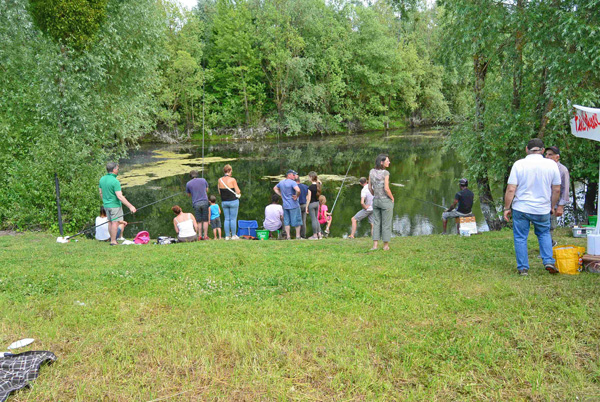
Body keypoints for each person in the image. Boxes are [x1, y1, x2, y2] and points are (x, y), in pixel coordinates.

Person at [503, 138, 561, 276]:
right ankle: (548, 261)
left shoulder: (519, 164)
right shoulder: (551, 165)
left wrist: (506, 208)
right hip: (542, 208)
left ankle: (523, 268)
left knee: (520, 237)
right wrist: (552, 206)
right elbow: (557, 189)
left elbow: (511, 188)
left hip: (521, 208)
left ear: (526, 149)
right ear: (542, 150)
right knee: (544, 233)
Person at [98, 162, 136, 246]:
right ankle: (113, 241)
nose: (118, 170)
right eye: (118, 169)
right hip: (115, 205)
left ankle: (112, 239)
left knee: (110, 222)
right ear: (114, 169)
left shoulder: (102, 179)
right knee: (115, 223)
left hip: (106, 205)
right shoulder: (115, 181)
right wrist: (131, 206)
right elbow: (119, 196)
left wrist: (105, 201)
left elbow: (101, 193)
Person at [545, 146, 570, 245]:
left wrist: (560, 206)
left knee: (550, 226)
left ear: (557, 157)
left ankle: (548, 248)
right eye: (546, 154)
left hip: (554, 203)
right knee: (543, 227)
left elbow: (565, 189)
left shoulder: (563, 170)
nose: (547, 157)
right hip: (543, 201)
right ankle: (550, 244)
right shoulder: (543, 168)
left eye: (550, 155)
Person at [369, 154, 394, 251]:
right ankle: (385, 246)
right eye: (387, 161)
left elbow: (369, 187)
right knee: (386, 223)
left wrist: (374, 194)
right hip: (385, 201)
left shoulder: (371, 172)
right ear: (381, 162)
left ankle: (375, 246)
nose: (389, 162)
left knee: (376, 223)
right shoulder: (385, 173)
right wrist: (392, 198)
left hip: (376, 200)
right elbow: (386, 188)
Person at [274, 169, 302, 240]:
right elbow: (298, 190)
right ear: (289, 175)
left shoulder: (281, 182)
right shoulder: (293, 182)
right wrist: (297, 196)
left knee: (286, 221)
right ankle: (298, 236)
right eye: (293, 175)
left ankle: (288, 237)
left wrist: (281, 195)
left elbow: (275, 188)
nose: (294, 176)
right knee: (297, 221)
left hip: (285, 205)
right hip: (294, 205)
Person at [218, 164, 241, 240]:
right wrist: (238, 192)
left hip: (224, 202)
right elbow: (237, 191)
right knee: (233, 219)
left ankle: (227, 236)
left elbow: (219, 192)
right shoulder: (232, 179)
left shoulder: (220, 180)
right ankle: (234, 235)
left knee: (226, 219)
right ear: (230, 171)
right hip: (233, 201)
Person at [186, 170, 210, 240]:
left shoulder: (188, 184)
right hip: (205, 201)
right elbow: (207, 190)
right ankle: (205, 236)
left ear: (190, 176)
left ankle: (199, 235)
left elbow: (189, 195)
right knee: (205, 220)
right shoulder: (203, 180)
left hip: (196, 203)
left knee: (199, 221)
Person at [306, 171, 322, 240]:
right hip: (317, 203)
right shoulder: (318, 185)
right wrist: (316, 179)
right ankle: (320, 234)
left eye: (309, 177)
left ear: (311, 177)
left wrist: (306, 207)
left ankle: (315, 235)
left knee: (313, 219)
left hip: (312, 204)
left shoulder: (310, 187)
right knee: (316, 219)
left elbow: (309, 198)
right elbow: (320, 182)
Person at [296, 174, 309, 239]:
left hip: (297, 205)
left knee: (298, 221)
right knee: (303, 221)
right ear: (299, 180)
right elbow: (308, 195)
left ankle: (298, 235)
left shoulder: (295, 187)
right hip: (304, 204)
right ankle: (303, 235)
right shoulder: (305, 186)